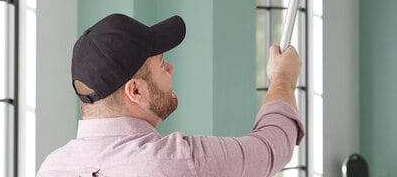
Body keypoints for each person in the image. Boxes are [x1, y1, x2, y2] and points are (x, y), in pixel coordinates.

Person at [36, 13, 304, 177]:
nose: (171, 68)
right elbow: (270, 148)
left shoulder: (50, 169)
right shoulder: (177, 162)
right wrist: (283, 78)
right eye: (162, 63)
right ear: (136, 90)